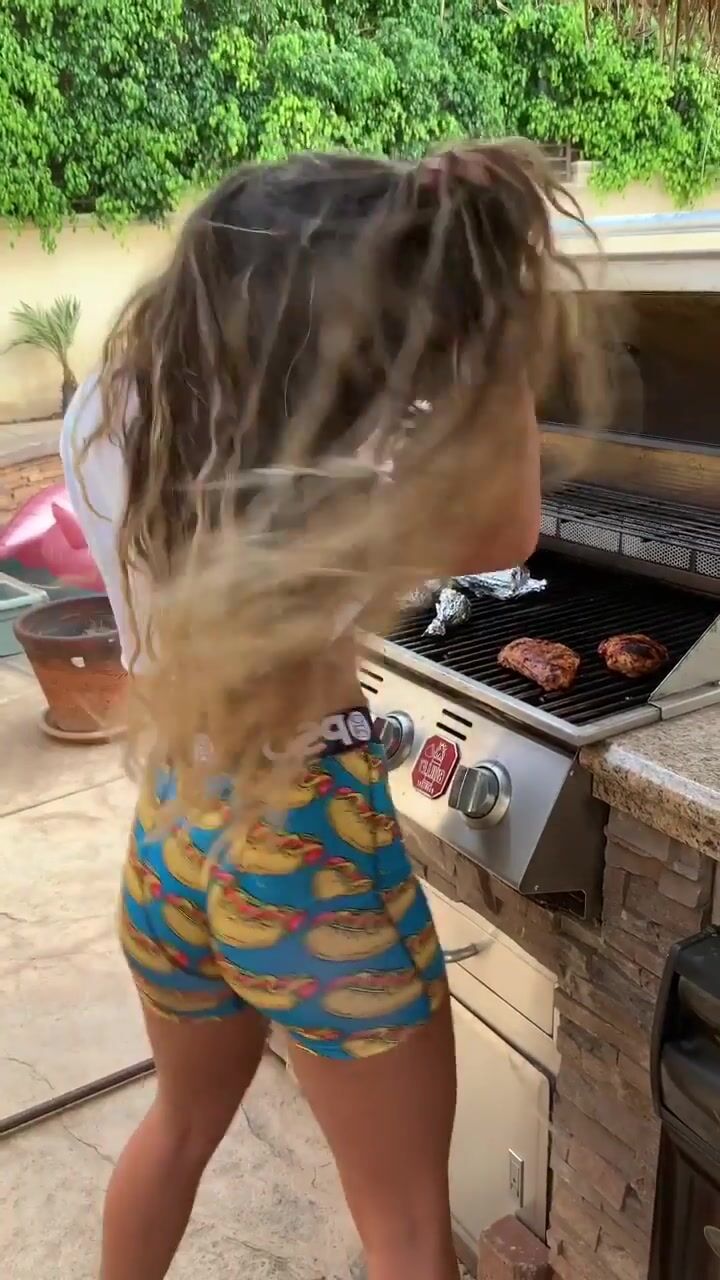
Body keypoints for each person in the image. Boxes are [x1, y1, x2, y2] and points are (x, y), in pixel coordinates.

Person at [61, 143, 605, 1280]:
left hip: (173, 832)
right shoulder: (331, 473)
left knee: (177, 1127)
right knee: (404, 1227)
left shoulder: (106, 411)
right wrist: (489, 328)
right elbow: (509, 526)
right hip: (307, 848)